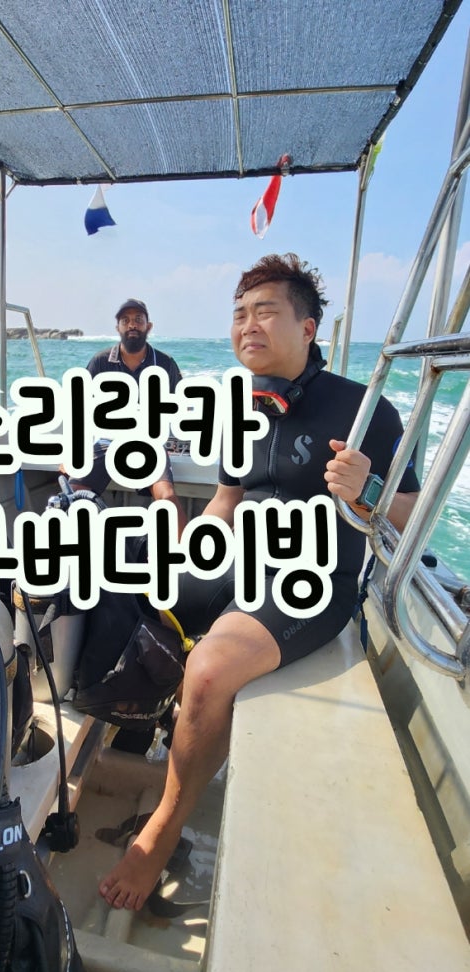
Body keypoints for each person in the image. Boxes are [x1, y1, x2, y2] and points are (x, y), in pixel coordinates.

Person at [98, 253, 421, 911]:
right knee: (115, 584)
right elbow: (225, 500)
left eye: (265, 310)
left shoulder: (365, 412)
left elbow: (412, 517)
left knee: (211, 668)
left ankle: (163, 827)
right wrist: (180, 551)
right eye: (240, 313)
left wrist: (369, 490)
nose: (248, 324)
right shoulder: (237, 407)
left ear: (308, 328)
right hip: (239, 558)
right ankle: (151, 722)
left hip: (312, 578)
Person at [69, 298, 188, 533]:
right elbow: (79, 407)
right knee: (72, 492)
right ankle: (89, 542)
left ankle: (184, 552)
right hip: (107, 441)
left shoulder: (165, 363)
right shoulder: (100, 362)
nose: (132, 324)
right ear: (118, 328)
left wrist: (175, 442)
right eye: (125, 320)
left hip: (150, 442)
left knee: (166, 496)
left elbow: (181, 406)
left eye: (138, 320)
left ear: (148, 326)